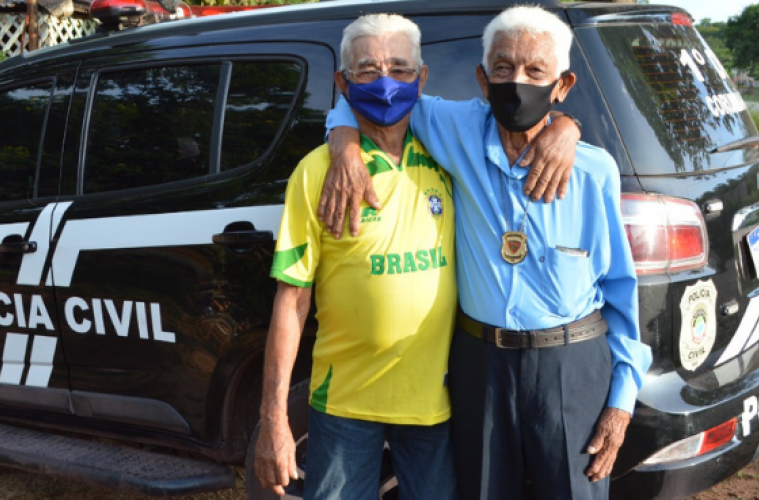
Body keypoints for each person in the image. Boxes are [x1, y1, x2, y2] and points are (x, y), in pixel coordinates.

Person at [321, 6, 653, 500]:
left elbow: (621, 290)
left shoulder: (592, 172)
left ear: (562, 85)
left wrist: (623, 402)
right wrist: (343, 143)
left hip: (570, 364)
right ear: (482, 78)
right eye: (502, 68)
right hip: (480, 366)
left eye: (535, 71)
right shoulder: (452, 128)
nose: (516, 81)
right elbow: (374, 94)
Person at [253, 14, 459, 500]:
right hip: (344, 404)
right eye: (367, 71)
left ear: (422, 78)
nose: (385, 82)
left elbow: (523, 131)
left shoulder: (449, 154)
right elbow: (292, 301)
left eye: (400, 69)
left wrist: (567, 128)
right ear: (342, 82)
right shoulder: (317, 172)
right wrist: (274, 420)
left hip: (436, 403)